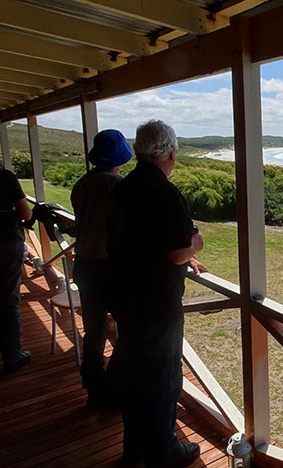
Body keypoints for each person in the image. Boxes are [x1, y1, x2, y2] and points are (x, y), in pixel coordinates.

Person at [108, 120, 206, 468]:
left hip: (124, 296)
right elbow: (177, 251)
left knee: (135, 375)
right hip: (155, 304)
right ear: (170, 152)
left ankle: (133, 446)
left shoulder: (124, 187)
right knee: (163, 379)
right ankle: (164, 450)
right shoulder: (164, 193)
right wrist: (197, 243)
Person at [71, 129, 132, 405]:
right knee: (130, 328)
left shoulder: (82, 184)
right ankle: (115, 384)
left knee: (94, 330)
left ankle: (94, 385)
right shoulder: (116, 185)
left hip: (84, 266)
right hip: (109, 268)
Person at [0, 168, 32, 374]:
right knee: (8, 299)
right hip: (7, 243)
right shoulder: (5, 177)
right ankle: (12, 355)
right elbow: (25, 213)